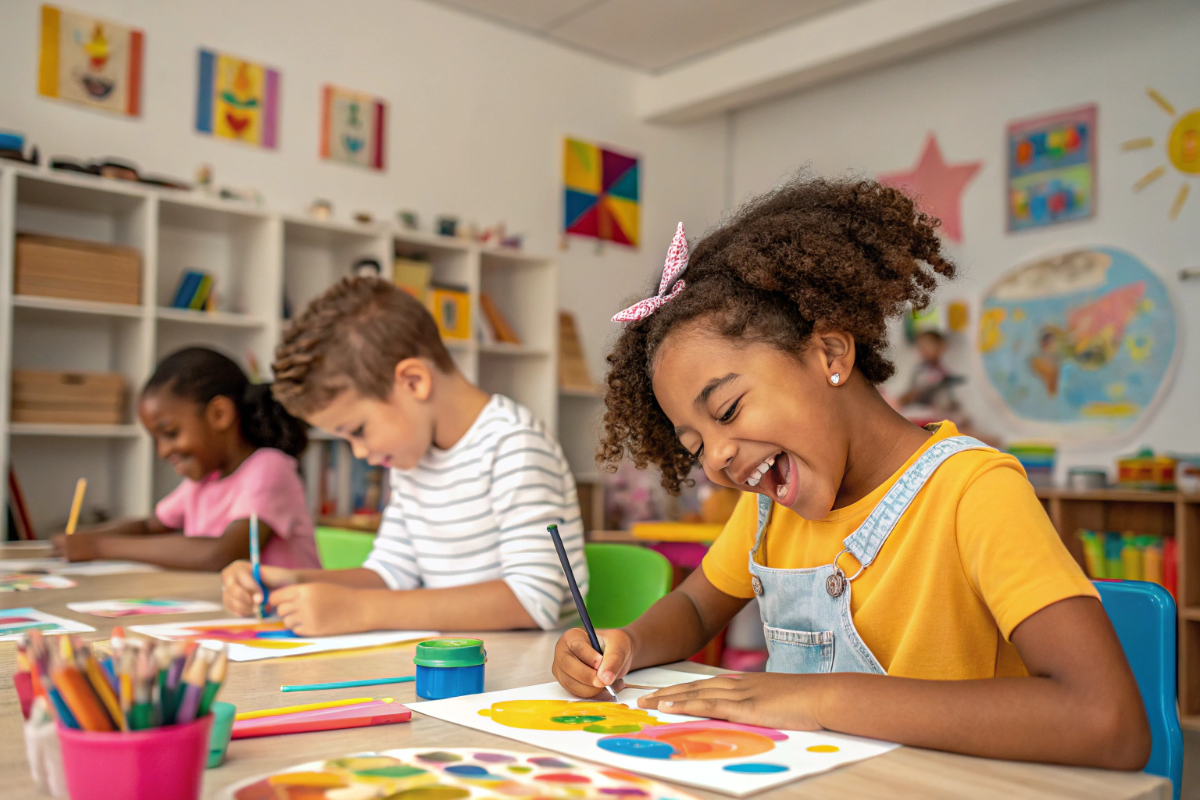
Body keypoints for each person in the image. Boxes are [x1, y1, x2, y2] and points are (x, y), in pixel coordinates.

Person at [551, 176, 1150, 769]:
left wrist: (823, 697)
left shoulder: (972, 491)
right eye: (694, 444)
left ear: (831, 354)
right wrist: (626, 643)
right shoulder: (768, 510)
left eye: (728, 410)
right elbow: (696, 611)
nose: (714, 459)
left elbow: (1108, 721)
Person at [220, 277, 586, 636]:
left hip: (524, 672)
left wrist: (358, 609)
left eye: (358, 430)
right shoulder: (412, 457)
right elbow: (391, 573)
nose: (360, 452)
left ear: (413, 381)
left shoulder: (514, 445)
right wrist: (293, 580)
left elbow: (532, 600)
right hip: (447, 662)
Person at [55, 347, 317, 571]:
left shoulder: (269, 467)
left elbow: (224, 554)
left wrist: (98, 547)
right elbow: (149, 525)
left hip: (285, 620)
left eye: (170, 433)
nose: (163, 451)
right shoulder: (205, 481)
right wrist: (83, 539)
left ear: (219, 414)